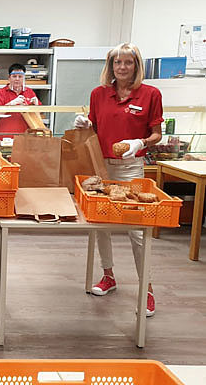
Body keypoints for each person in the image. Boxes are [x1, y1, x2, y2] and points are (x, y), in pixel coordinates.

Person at [74, 42, 163, 317]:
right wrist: (85, 125)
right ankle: (108, 275)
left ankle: (146, 288)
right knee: (100, 225)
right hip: (101, 167)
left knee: (137, 230)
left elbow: (157, 134)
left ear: (137, 66)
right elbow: (95, 127)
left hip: (131, 168)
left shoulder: (150, 94)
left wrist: (141, 142)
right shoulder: (98, 94)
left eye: (128, 62)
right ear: (110, 66)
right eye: (117, 63)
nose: (122, 67)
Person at [0, 63, 41, 139]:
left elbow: (38, 116)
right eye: (14, 76)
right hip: (4, 138)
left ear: (24, 78)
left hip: (25, 138)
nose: (17, 79)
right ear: (9, 78)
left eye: (20, 76)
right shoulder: (1, 93)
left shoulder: (30, 92)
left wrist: (36, 106)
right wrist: (11, 104)